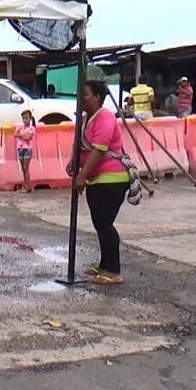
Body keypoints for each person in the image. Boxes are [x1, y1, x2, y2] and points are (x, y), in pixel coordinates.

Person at [66, 79, 129, 285]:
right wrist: (72, 162)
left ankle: (114, 270)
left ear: (97, 97)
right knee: (99, 222)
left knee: (104, 223)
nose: (81, 98)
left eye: (85, 94)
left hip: (111, 179)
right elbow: (80, 145)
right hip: (97, 179)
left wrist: (82, 175)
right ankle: (104, 265)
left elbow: (99, 149)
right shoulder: (86, 119)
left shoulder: (105, 118)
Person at [15, 110, 36, 192]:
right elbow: (15, 134)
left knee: (25, 167)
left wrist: (20, 135)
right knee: (23, 169)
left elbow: (28, 138)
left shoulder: (32, 128)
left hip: (27, 149)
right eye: (23, 118)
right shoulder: (20, 126)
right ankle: (26, 185)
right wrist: (23, 135)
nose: (25, 120)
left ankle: (27, 186)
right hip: (20, 149)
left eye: (26, 118)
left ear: (30, 118)